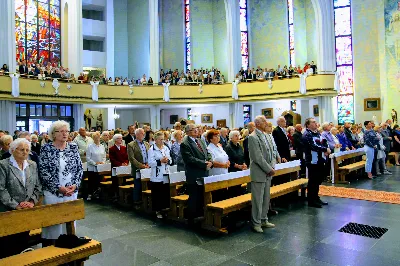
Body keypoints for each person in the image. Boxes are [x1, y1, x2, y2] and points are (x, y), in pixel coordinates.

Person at [39, 121, 83, 245]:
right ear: (53, 134)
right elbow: (43, 171)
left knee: (69, 222)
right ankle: (51, 251)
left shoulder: (73, 147)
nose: (65, 134)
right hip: (53, 193)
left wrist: (75, 185)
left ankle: (68, 248)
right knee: (53, 226)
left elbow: (79, 168)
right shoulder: (46, 148)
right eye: (61, 131)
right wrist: (58, 187)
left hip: (71, 192)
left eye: (66, 131)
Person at [0, 138, 42, 258]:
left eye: (27, 150)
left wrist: (31, 201)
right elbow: (1, 189)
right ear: (13, 150)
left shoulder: (32, 165)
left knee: (23, 241)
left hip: (27, 209)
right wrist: (15, 205)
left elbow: (38, 185)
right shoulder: (3, 165)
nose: (25, 152)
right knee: (8, 244)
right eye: (21, 149)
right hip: (8, 210)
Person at [248, 116, 276, 233]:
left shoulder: (265, 135)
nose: (267, 123)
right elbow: (257, 157)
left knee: (266, 198)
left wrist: (272, 166)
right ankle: (256, 223)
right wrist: (269, 168)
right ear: (258, 124)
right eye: (264, 121)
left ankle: (264, 219)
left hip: (267, 171)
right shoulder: (253, 137)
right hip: (259, 172)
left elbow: (271, 152)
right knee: (257, 200)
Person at [180, 124, 212, 225]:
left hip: (204, 172)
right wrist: (204, 163)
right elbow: (189, 159)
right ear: (188, 132)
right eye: (194, 130)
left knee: (202, 194)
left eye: (196, 129)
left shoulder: (200, 140)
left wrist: (210, 160)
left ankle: (201, 215)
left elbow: (207, 152)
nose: (196, 131)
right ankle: (192, 218)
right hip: (193, 173)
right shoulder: (185, 143)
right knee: (194, 196)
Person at [302, 118, 330, 208]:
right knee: (313, 181)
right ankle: (311, 200)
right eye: (313, 122)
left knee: (318, 180)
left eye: (315, 122)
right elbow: (313, 146)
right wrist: (325, 149)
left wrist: (326, 148)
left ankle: (316, 197)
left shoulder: (317, 133)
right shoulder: (307, 134)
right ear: (308, 124)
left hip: (320, 159)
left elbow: (324, 141)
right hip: (312, 161)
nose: (316, 123)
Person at [148, 131, 173, 219]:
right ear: (155, 140)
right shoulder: (152, 149)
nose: (162, 141)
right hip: (157, 175)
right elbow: (150, 163)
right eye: (160, 139)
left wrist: (168, 161)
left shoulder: (165, 148)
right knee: (157, 194)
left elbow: (170, 159)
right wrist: (160, 161)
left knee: (165, 193)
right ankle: (157, 211)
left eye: (163, 139)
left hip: (166, 173)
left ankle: (165, 210)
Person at [127, 128, 150, 207]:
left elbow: (149, 155)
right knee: (138, 185)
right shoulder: (131, 145)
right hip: (137, 168)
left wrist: (148, 163)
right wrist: (141, 165)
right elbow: (131, 158)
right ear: (137, 135)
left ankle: (145, 201)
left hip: (147, 166)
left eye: (144, 133)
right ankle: (136, 201)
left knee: (147, 184)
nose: (144, 135)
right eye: (142, 133)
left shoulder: (146, 143)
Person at [86, 132, 106, 201]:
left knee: (98, 181)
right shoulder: (90, 146)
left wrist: (102, 162)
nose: (97, 139)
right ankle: (90, 194)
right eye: (95, 137)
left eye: (98, 137)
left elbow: (104, 156)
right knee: (91, 181)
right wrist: (95, 163)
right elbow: (88, 158)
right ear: (93, 138)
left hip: (100, 167)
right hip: (92, 167)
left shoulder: (102, 146)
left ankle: (97, 194)